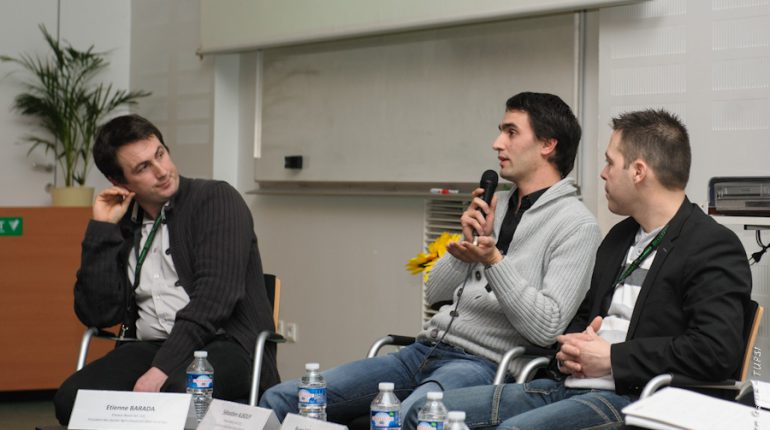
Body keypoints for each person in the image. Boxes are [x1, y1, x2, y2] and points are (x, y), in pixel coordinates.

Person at [259, 92, 602, 422]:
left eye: (511, 132)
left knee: (415, 415)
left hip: (485, 364)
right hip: (425, 350)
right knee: (284, 398)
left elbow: (546, 328)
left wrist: (494, 261)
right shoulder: (494, 207)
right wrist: (464, 249)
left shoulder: (576, 225)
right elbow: (435, 293)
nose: (497, 143)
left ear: (547, 144)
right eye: (500, 131)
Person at [403, 109, 753, 430]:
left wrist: (613, 358)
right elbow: (583, 316)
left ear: (638, 171)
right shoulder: (620, 236)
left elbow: (716, 351)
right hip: (567, 386)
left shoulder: (710, 245)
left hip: (632, 399)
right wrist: (572, 346)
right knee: (427, 412)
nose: (602, 173)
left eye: (609, 163)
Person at [53, 114, 280, 424]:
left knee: (172, 398)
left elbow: (214, 299)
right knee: (72, 401)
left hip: (224, 344)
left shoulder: (216, 200)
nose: (162, 171)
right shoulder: (124, 222)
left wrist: (161, 370)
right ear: (120, 182)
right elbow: (98, 314)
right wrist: (102, 229)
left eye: (159, 154)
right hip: (149, 346)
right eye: (143, 168)